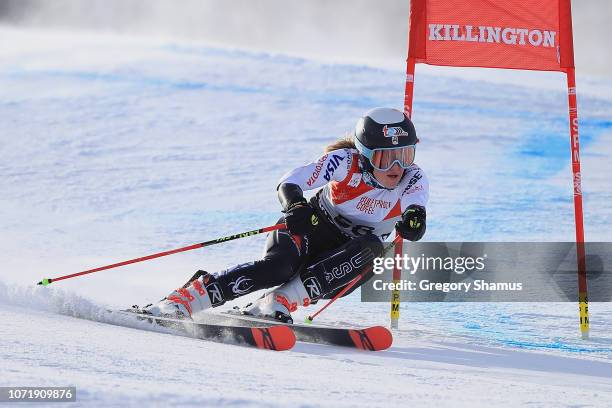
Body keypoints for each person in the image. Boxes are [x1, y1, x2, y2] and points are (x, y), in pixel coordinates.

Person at [142, 107, 429, 323]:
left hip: (349, 256)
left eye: (405, 155)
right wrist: (295, 205)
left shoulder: (412, 178)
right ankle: (182, 300)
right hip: (314, 225)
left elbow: (415, 210)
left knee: (371, 250)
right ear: (365, 154)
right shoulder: (345, 162)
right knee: (279, 268)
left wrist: (414, 222)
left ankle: (275, 302)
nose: (396, 166)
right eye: (384, 157)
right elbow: (290, 182)